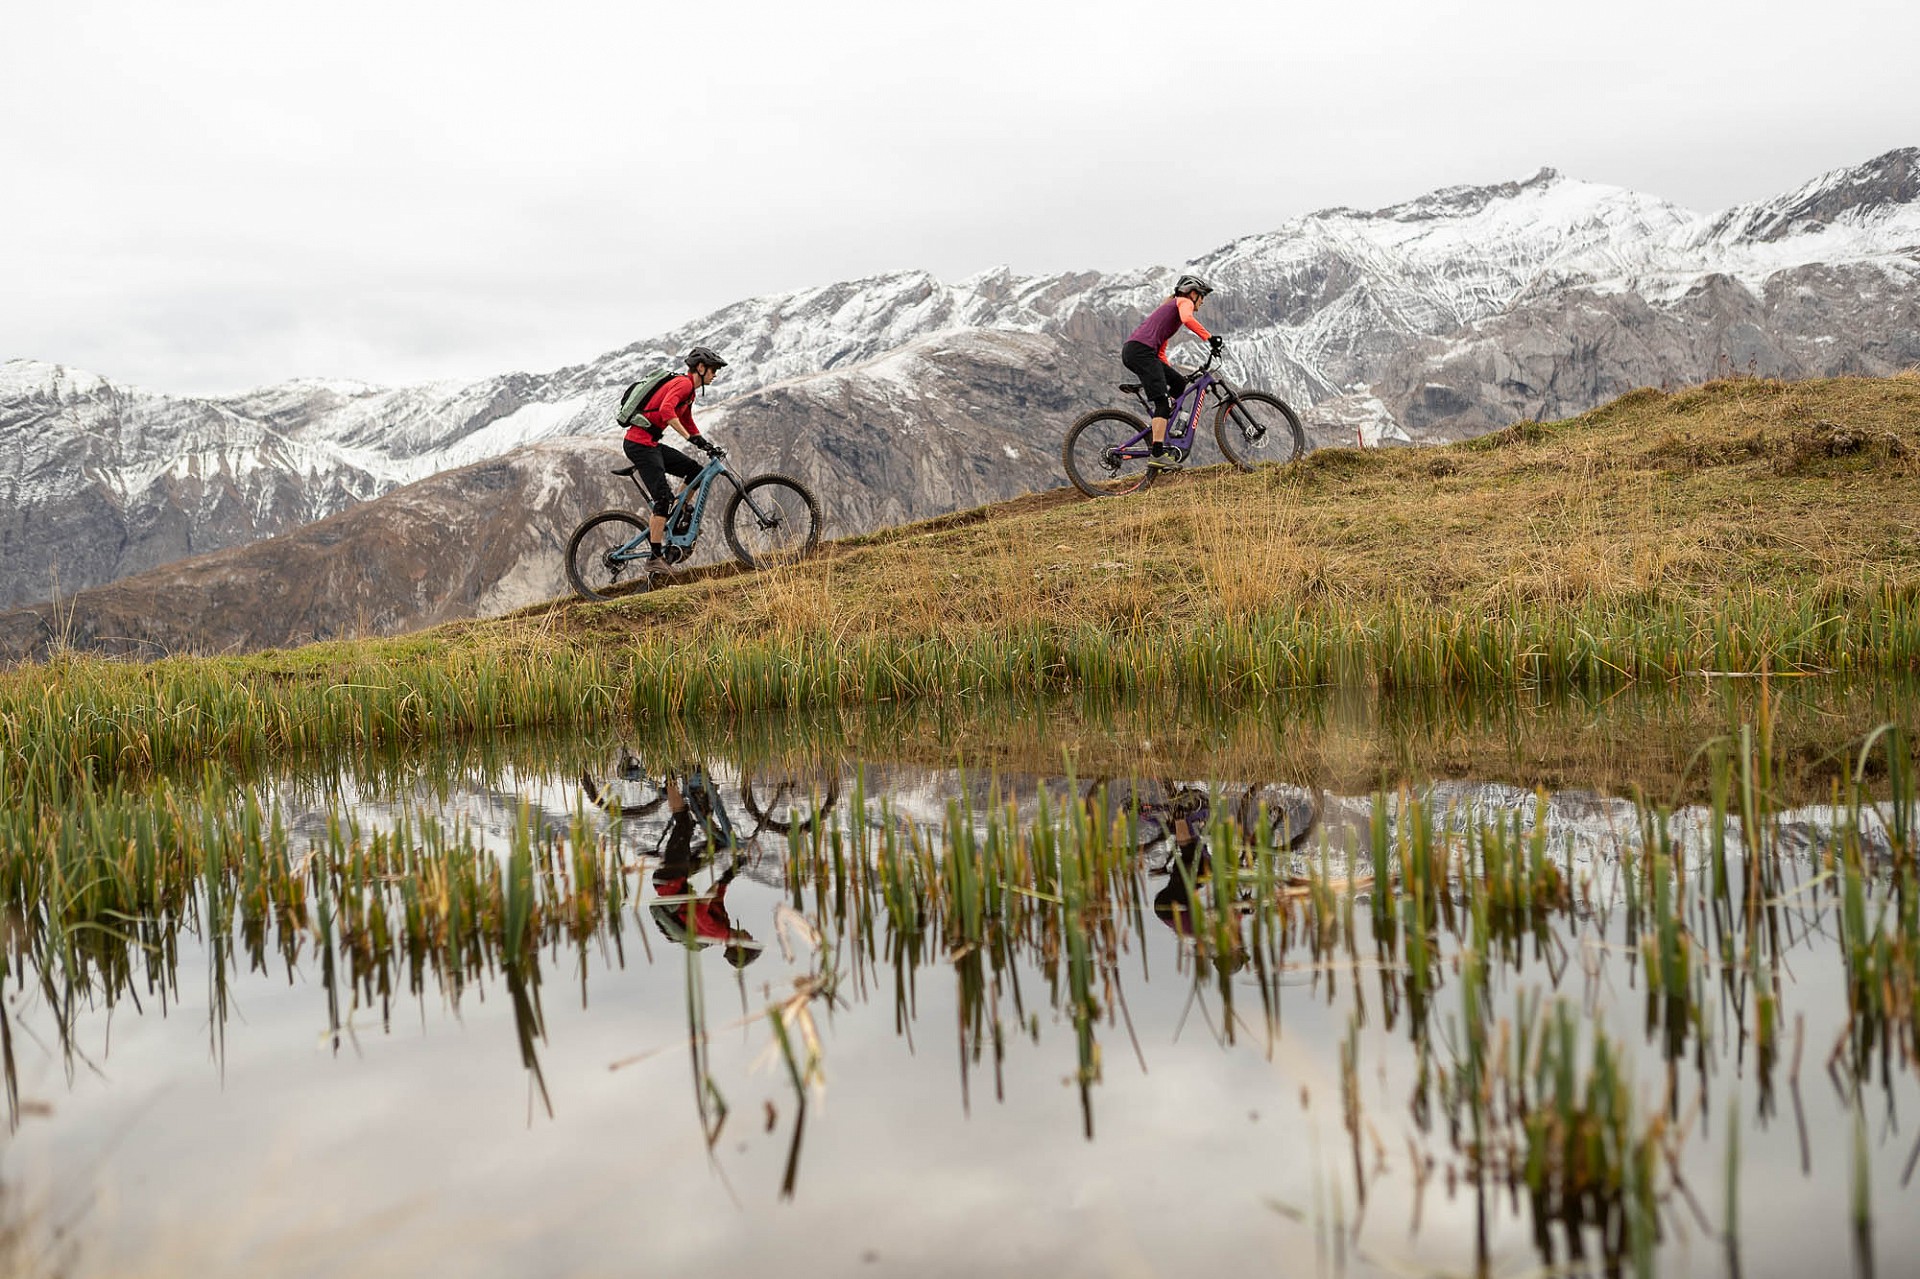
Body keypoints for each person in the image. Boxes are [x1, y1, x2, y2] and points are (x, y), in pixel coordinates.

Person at [624, 345, 730, 565]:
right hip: (639, 444)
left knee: (694, 471)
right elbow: (666, 411)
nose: (715, 375)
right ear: (700, 368)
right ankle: (655, 558)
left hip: (650, 443)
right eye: (713, 370)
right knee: (662, 498)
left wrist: (703, 443)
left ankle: (678, 513)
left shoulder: (689, 393)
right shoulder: (683, 384)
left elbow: (687, 421)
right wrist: (688, 438)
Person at [1121, 275, 1224, 469]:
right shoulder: (1183, 302)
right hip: (1140, 352)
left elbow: (1160, 353)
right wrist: (1209, 338)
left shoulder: (1168, 313)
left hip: (1139, 352)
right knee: (1162, 401)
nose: (1202, 302)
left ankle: (1167, 424)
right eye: (1202, 297)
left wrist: (1170, 374)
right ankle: (1157, 453)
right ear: (1193, 294)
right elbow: (1188, 319)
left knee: (1178, 382)